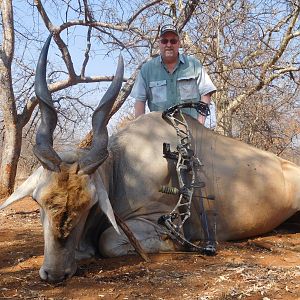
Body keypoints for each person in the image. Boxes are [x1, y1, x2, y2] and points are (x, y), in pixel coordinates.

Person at [131, 24, 217, 125]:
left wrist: (200, 123)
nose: (169, 45)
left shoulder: (194, 65)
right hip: (160, 131)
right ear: (159, 43)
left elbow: (206, 92)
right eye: (164, 41)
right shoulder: (147, 70)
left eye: (173, 41)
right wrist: (141, 129)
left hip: (192, 129)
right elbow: (140, 101)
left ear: (179, 43)